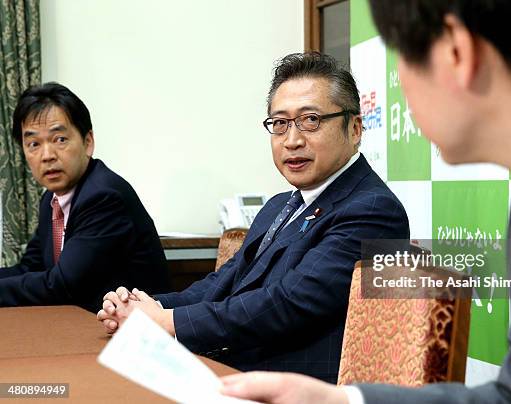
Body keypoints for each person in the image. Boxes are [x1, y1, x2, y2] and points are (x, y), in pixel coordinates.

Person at [218, 1, 511, 403]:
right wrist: (342, 401)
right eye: (280, 123)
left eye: (403, 59)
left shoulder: (371, 206)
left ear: (458, 53)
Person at [97, 52, 410, 383]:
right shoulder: (279, 205)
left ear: (355, 128)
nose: (293, 140)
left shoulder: (373, 209)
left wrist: (166, 321)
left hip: (297, 387)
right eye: (280, 123)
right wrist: (144, 306)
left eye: (311, 120)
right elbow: (225, 282)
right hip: (238, 369)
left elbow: (289, 303)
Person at [0, 82, 170, 313]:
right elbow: (30, 268)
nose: (47, 155)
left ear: (87, 142)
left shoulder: (103, 196)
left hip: (133, 334)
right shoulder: (51, 200)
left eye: (59, 139)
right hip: (83, 324)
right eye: (33, 144)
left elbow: (63, 285)